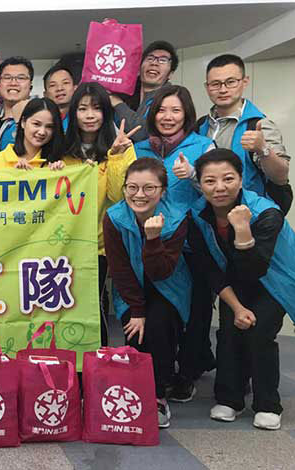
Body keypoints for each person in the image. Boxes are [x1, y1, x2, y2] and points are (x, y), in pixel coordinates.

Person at [188, 148, 295, 431]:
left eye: (228, 178)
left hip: (276, 281)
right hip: (233, 279)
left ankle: (268, 404)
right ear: (200, 184)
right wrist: (236, 307)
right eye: (210, 181)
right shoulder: (197, 214)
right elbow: (209, 269)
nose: (219, 187)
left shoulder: (266, 212)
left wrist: (243, 230)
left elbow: (256, 269)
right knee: (228, 331)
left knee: (260, 332)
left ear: (241, 179)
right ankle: (229, 399)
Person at [132, 84, 216, 401]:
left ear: (186, 114)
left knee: (196, 309)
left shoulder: (202, 146)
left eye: (175, 110)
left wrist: (193, 175)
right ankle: (158, 372)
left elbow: (219, 191)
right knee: (161, 310)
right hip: (150, 239)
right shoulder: (138, 148)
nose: (168, 117)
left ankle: (187, 373)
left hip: (193, 241)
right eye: (162, 110)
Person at [104, 158, 191, 428]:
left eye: (149, 188)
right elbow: (119, 268)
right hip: (131, 288)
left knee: (159, 326)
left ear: (162, 191)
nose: (139, 195)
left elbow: (162, 272)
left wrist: (153, 239)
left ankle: (158, 395)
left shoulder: (176, 218)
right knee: (135, 330)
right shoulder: (114, 217)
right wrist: (137, 310)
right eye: (132, 187)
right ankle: (137, 389)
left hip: (168, 287)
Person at [62, 82, 139, 344]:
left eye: (96, 108)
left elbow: (119, 197)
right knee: (64, 305)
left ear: (106, 113)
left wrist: (115, 156)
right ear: (73, 113)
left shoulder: (122, 146)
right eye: (82, 109)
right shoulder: (62, 150)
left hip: (99, 245)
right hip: (63, 243)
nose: (90, 115)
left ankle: (97, 360)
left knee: (94, 307)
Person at [197, 54, 291, 213]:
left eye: (231, 82)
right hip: (211, 217)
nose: (223, 89)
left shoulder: (259, 125)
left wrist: (263, 149)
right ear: (207, 87)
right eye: (215, 84)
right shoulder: (200, 126)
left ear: (244, 82)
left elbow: (280, 177)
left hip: (251, 215)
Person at [110, 41, 179, 142]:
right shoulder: (125, 95)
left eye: (163, 60)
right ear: (139, 67)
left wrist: (117, 103)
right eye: (150, 58)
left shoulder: (171, 98)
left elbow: (141, 133)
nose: (154, 63)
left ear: (170, 74)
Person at [0, 98, 66, 170]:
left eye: (49, 127)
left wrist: (60, 173)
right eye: (36, 124)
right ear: (23, 122)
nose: (42, 132)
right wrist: (15, 176)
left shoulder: (62, 163)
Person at [0, 56, 35, 150]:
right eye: (7, 78)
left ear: (30, 85)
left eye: (21, 78)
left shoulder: (37, 121)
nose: (13, 83)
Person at [43, 63, 77, 131]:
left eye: (65, 83)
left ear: (75, 88)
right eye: (52, 85)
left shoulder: (83, 118)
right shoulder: (41, 120)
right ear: (45, 94)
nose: (59, 88)